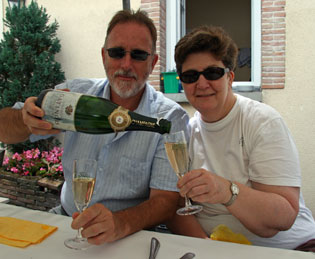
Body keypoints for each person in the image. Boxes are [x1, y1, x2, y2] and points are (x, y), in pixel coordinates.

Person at [0, 9, 190, 245]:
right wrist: (24, 120)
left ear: (153, 63)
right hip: (67, 223)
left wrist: (120, 223)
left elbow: (165, 201)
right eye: (116, 53)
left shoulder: (169, 118)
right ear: (103, 56)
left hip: (131, 236)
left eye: (138, 55)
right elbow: (4, 128)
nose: (126, 64)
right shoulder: (73, 96)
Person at [167, 25, 315, 251]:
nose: (202, 83)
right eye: (190, 76)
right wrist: (205, 246)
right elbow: (177, 207)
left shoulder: (262, 121)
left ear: (230, 77)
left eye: (213, 73)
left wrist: (226, 191)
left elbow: (283, 217)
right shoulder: (186, 132)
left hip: (289, 249)